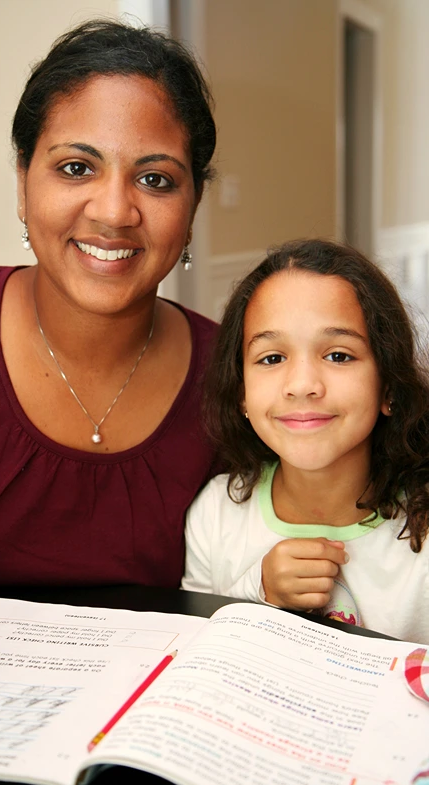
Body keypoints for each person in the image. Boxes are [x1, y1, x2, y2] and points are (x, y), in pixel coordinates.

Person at [0, 20, 218, 689]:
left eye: (155, 178)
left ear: (193, 204)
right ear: (24, 180)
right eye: (76, 167)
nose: (115, 211)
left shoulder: (238, 381)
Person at [182, 238, 429, 643]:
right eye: (272, 358)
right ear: (242, 392)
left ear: (388, 387)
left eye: (338, 355)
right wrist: (258, 591)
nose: (302, 385)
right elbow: (195, 642)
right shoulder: (217, 514)